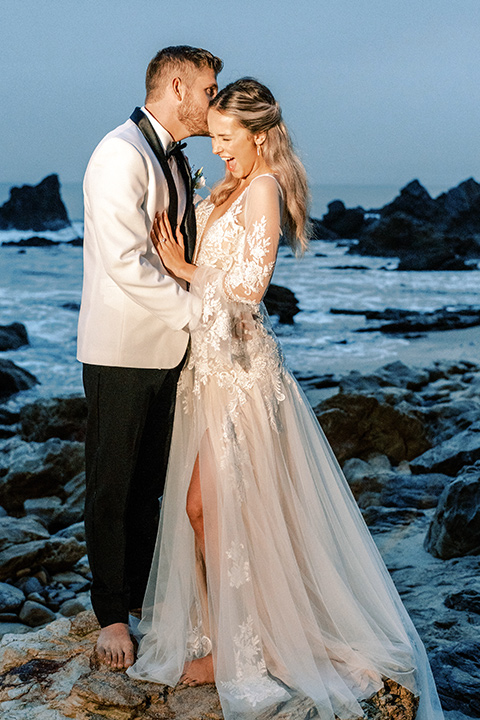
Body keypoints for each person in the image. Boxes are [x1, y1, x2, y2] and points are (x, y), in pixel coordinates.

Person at [127, 78, 444, 719]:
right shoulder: (235, 185)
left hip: (243, 380)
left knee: (217, 511)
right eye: (212, 137)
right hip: (212, 374)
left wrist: (184, 269)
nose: (216, 149)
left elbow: (247, 293)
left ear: (258, 135)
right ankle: (231, 633)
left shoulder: (266, 189)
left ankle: (245, 649)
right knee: (200, 510)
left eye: (224, 138)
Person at [77, 45, 223, 671]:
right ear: (175, 83)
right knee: (113, 484)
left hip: (169, 350)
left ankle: (138, 596)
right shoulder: (120, 153)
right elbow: (125, 262)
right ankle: (112, 613)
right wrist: (199, 318)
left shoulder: (171, 157)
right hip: (125, 350)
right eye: (208, 90)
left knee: (150, 488)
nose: (213, 103)